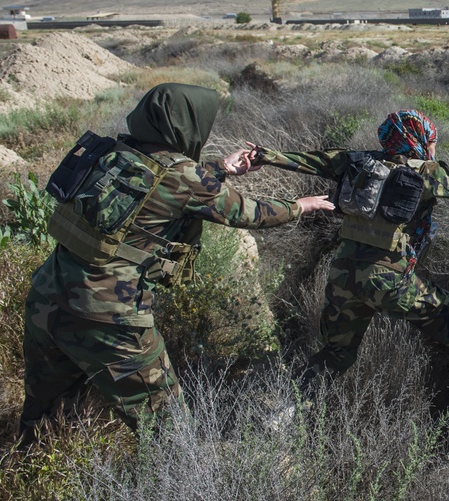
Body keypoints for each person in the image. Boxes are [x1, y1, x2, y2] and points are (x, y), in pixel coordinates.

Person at [18, 83, 334, 447]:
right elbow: (248, 213)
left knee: (45, 416)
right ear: (186, 125)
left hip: (46, 297)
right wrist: (301, 205)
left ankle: (21, 475)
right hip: (110, 319)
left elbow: (159, 180)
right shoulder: (186, 176)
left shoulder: (111, 152)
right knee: (168, 432)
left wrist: (220, 168)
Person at [248, 110, 449, 394]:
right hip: (386, 278)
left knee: (336, 354)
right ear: (419, 139)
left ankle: (285, 410)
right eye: (432, 141)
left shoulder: (356, 161)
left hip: (342, 275)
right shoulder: (427, 172)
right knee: (445, 309)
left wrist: (265, 155)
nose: (433, 148)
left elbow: (310, 160)